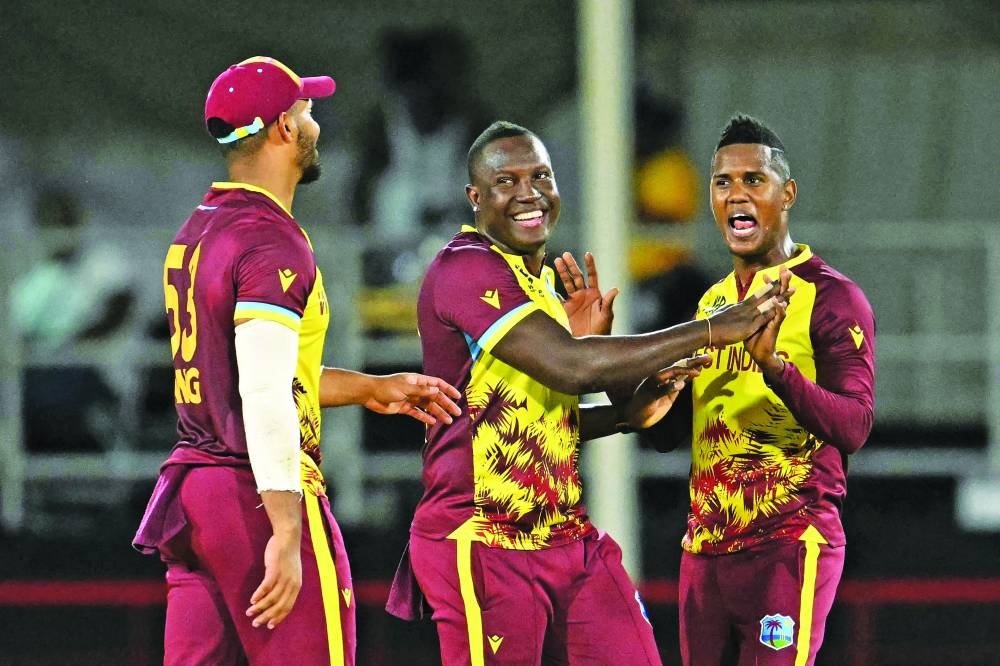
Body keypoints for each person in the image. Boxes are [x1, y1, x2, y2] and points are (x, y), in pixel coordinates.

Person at [386, 120, 791, 665]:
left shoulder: (543, 288)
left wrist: (623, 414)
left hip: (564, 535)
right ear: (474, 198)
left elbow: (533, 419)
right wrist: (713, 328)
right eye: (507, 181)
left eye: (542, 176)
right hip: (483, 536)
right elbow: (570, 367)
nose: (530, 193)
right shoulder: (463, 268)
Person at [132, 56, 461, 666]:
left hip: (197, 490)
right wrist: (286, 529)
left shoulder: (199, 228)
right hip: (256, 490)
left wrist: (366, 387)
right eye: (308, 111)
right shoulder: (269, 237)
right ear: (283, 128)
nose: (316, 124)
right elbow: (262, 393)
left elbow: (246, 377)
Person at [654, 115, 876, 666]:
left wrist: (776, 369)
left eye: (754, 180)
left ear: (788, 193)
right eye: (722, 182)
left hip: (787, 545)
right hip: (703, 552)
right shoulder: (711, 305)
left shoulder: (831, 298)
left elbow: (854, 426)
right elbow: (673, 434)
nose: (736, 195)